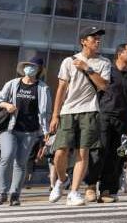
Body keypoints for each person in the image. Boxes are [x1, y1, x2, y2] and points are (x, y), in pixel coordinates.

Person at [48, 26, 112, 206]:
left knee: (83, 152)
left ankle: (74, 192)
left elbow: (104, 86)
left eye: (99, 38)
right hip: (68, 111)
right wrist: (55, 115)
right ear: (83, 41)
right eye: (94, 38)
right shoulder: (69, 61)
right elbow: (61, 89)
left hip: (90, 110)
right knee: (59, 152)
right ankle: (62, 180)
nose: (98, 41)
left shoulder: (104, 63)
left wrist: (87, 68)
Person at [83, 43, 127, 203]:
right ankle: (90, 185)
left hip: (124, 120)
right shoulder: (107, 70)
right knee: (99, 152)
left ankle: (107, 190)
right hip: (104, 116)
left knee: (117, 156)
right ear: (119, 53)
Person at [0, 58, 50, 206]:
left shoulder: (43, 88)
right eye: (28, 66)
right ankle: (1, 193)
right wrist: (6, 105)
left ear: (39, 70)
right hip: (10, 128)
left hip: (30, 131)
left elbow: (46, 112)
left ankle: (14, 194)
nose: (30, 69)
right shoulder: (13, 84)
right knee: (7, 156)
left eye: (34, 67)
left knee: (21, 163)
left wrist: (45, 131)